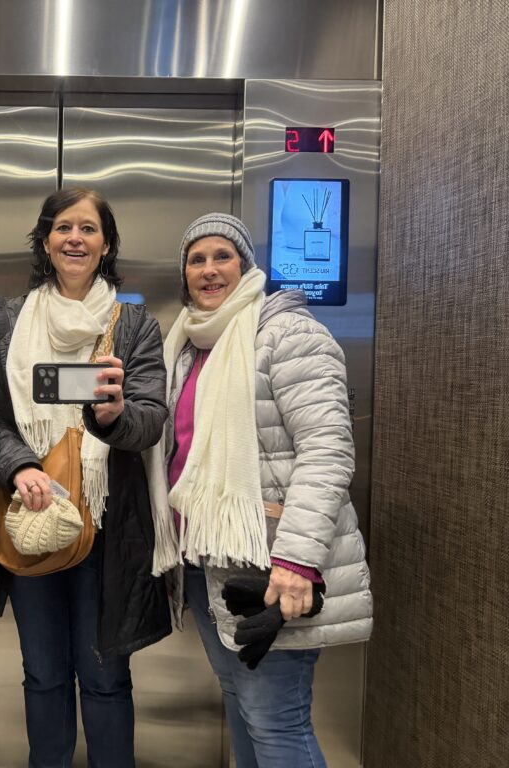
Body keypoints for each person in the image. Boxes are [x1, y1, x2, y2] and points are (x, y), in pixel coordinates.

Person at [145, 213, 373, 768]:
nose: (209, 269)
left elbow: (328, 453)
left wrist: (296, 561)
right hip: (206, 561)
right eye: (196, 259)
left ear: (246, 267)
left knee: (275, 720)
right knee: (243, 704)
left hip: (271, 564)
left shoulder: (289, 335)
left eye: (222, 256)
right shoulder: (189, 345)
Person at [0, 187, 171, 768]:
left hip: (107, 523)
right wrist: (21, 465)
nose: (75, 238)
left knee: (105, 677)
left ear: (106, 246)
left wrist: (115, 416)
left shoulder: (134, 325)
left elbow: (151, 420)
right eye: (63, 228)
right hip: (30, 513)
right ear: (46, 241)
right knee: (44, 672)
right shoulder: (9, 320)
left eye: (88, 229)